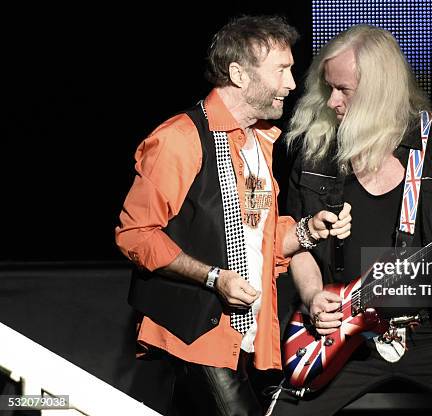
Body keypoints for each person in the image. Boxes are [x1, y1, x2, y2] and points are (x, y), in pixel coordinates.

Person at [268, 25, 432, 416]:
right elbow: (298, 245)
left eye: (343, 89)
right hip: (343, 333)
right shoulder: (317, 150)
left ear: (379, 91)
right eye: (328, 87)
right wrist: (313, 299)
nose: (331, 101)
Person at [115, 15, 351, 416]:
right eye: (282, 70)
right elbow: (135, 234)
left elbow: (260, 240)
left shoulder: (259, 142)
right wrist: (212, 276)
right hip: (197, 334)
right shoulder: (179, 138)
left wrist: (310, 231)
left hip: (248, 336)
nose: (292, 84)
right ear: (239, 74)